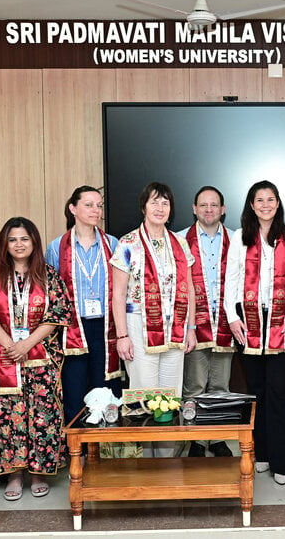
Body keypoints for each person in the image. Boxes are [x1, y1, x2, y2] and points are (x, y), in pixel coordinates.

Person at [0, 217, 71, 500]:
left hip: (40, 360)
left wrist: (27, 344)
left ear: (34, 241)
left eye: (24, 238)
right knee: (5, 416)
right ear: (5, 244)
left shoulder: (49, 275)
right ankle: (14, 473)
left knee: (41, 414)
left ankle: (38, 471)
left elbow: (56, 316)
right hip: (3, 358)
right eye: (12, 239)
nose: (19, 244)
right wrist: (12, 345)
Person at [225, 180, 285, 485]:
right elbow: (231, 279)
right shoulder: (239, 236)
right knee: (256, 393)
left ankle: (282, 461)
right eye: (260, 200)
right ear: (251, 204)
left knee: (281, 393)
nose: (266, 204)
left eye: (271, 199)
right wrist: (232, 318)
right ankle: (263, 454)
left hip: (282, 321)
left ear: (278, 202)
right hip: (248, 322)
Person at [110, 183, 196, 456]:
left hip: (175, 327)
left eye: (165, 203)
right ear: (143, 206)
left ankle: (168, 461)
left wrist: (191, 328)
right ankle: (144, 461)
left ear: (171, 210)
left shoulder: (180, 243)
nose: (160, 208)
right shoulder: (128, 243)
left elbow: (191, 288)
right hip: (138, 327)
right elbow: (118, 293)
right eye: (154, 202)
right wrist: (121, 336)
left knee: (170, 395)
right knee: (145, 393)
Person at [45, 186, 122, 425]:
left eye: (99, 205)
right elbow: (51, 293)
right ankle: (77, 449)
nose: (96, 210)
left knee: (106, 386)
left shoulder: (114, 243)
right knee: (75, 388)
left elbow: (125, 289)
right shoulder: (56, 247)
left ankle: (107, 449)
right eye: (89, 204)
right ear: (73, 208)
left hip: (106, 326)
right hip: (72, 329)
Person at [178, 186, 236, 458]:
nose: (209, 209)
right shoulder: (179, 240)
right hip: (194, 326)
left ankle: (217, 438)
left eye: (214, 205)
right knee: (194, 386)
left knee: (220, 386)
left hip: (225, 324)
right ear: (194, 208)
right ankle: (196, 441)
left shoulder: (237, 240)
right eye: (203, 205)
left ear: (223, 209)